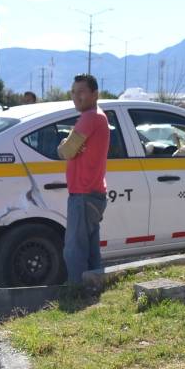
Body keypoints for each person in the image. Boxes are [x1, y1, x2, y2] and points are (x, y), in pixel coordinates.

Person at [56, 74, 109, 285]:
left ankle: (77, 292)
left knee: (75, 250)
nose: (76, 97)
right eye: (73, 92)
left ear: (95, 94)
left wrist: (64, 144)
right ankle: (93, 288)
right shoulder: (98, 116)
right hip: (94, 193)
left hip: (84, 194)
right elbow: (72, 148)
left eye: (82, 92)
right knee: (90, 249)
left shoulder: (89, 117)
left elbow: (66, 151)